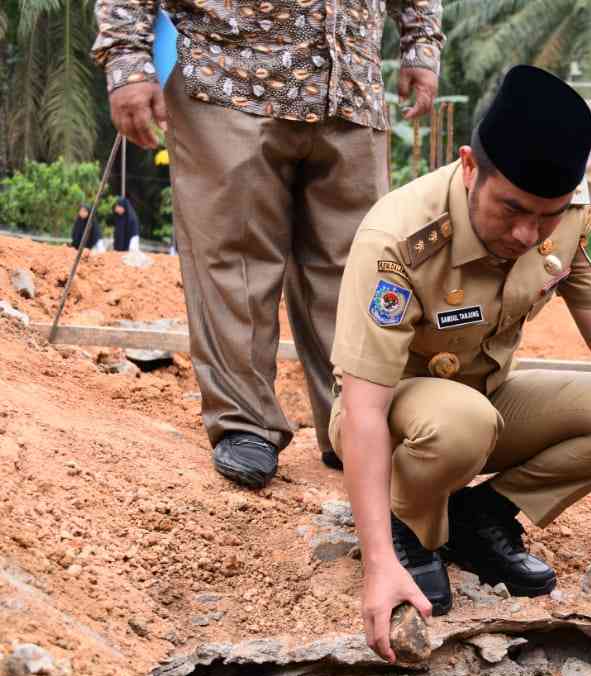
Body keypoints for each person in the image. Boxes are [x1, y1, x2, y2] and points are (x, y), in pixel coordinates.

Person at [332, 66, 591, 660]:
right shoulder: (399, 238)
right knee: (462, 422)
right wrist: (376, 560)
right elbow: (362, 408)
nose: (527, 232)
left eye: (547, 215)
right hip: (392, 409)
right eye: (511, 209)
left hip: (486, 397)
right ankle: (409, 528)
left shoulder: (570, 221)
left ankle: (478, 517)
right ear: (468, 166)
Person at [92, 0, 445, 490]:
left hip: (352, 88)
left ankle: (353, 426)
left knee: (358, 271)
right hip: (228, 75)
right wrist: (127, 61)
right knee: (235, 258)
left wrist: (420, 47)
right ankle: (246, 421)